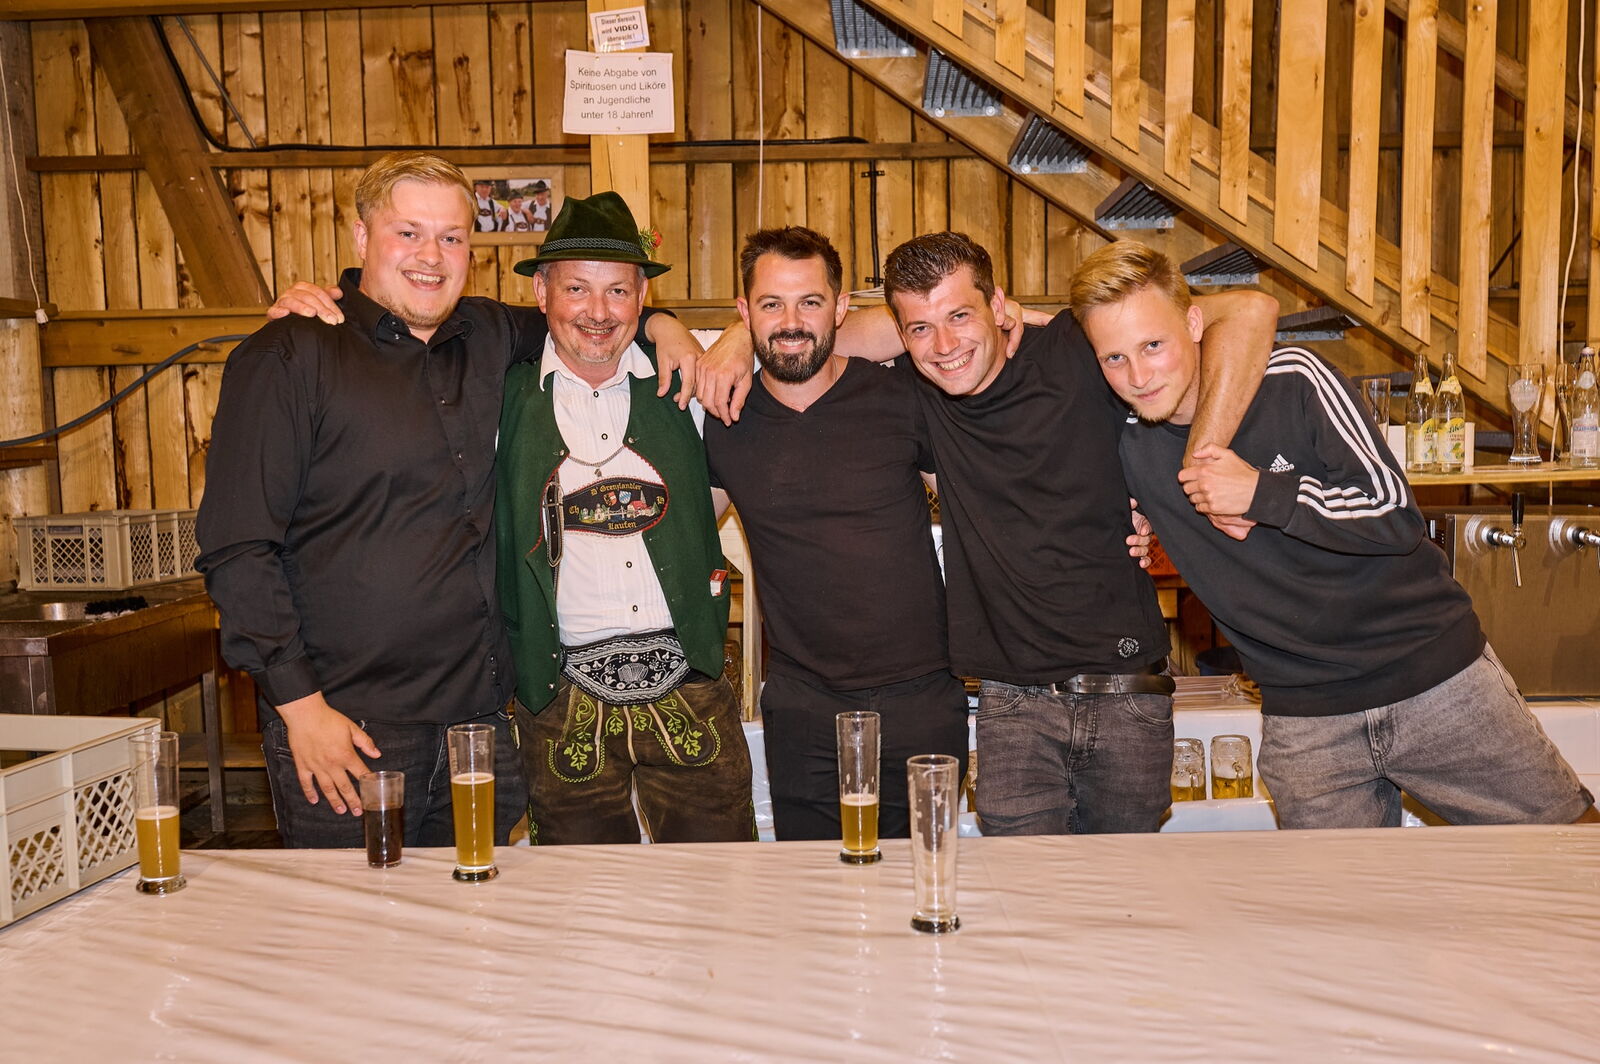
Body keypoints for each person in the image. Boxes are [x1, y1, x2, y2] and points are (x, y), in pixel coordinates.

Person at [202, 152, 701, 848]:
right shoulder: (290, 355)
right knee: (356, 917)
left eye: (451, 237)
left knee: (476, 914)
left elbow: (591, 317)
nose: (431, 256)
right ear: (361, 236)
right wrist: (300, 707)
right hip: (348, 728)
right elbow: (237, 548)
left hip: (479, 728)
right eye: (408, 233)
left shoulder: (489, 334)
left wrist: (666, 323)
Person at [1070, 239, 1600, 829]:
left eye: (1153, 345)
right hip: (1304, 721)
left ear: (1195, 324)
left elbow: (1394, 513)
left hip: (1434, 680)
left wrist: (1263, 493)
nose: (1139, 376)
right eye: (1114, 358)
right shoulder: (1125, 439)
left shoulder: (1293, 377)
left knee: (1572, 850)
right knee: (1334, 892)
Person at [878, 232, 1277, 835]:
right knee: (1021, 892)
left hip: (1128, 695)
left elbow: (1251, 308)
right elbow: (824, 329)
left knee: (1126, 891)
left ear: (998, 304)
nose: (945, 345)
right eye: (920, 328)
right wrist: (734, 337)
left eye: (961, 315)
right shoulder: (918, 395)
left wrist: (1196, 467)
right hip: (1012, 705)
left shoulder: (1073, 343)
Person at [495, 191, 757, 845]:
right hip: (559, 695)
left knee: (721, 885)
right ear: (541, 293)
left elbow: (806, 329)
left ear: (642, 298)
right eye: (576, 289)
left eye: (618, 291)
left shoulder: (691, 380)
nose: (598, 311)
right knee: (583, 898)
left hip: (691, 682)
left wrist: (743, 332)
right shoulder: (496, 396)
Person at [702, 226, 970, 840]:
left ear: (841, 307)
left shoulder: (901, 394)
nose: (791, 322)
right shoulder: (725, 417)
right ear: (744, 312)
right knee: (813, 886)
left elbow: (979, 502)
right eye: (771, 304)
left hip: (921, 695)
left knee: (925, 875)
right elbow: (677, 532)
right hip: (804, 706)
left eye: (810, 302)